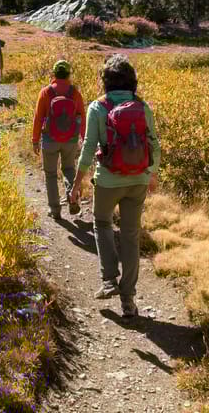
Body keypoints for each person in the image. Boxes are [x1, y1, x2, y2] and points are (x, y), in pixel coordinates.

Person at [69, 54, 160, 318]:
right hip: (138, 180)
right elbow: (155, 144)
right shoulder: (142, 107)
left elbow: (87, 148)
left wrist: (77, 182)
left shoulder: (98, 107)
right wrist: (151, 174)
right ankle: (129, 301)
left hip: (108, 179)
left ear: (106, 80)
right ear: (132, 80)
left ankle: (109, 280)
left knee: (102, 223)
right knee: (131, 237)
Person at [32, 60, 87, 220]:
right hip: (70, 139)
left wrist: (35, 140)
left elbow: (38, 118)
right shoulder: (75, 93)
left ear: (54, 74)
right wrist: (83, 138)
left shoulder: (45, 92)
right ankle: (72, 197)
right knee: (69, 169)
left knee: (50, 174)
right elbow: (82, 117)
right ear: (69, 74)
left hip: (50, 139)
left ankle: (55, 210)